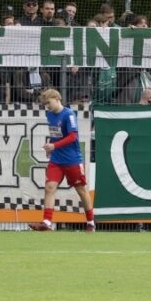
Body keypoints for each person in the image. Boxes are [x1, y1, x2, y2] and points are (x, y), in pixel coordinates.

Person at [31, 88, 94, 232]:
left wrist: (54, 145)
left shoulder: (69, 115)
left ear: (57, 98)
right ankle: (47, 222)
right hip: (56, 159)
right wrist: (50, 148)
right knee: (49, 188)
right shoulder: (50, 115)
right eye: (46, 104)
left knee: (81, 190)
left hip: (72, 159)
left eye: (48, 102)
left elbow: (73, 137)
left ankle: (90, 221)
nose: (47, 106)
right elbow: (56, 135)